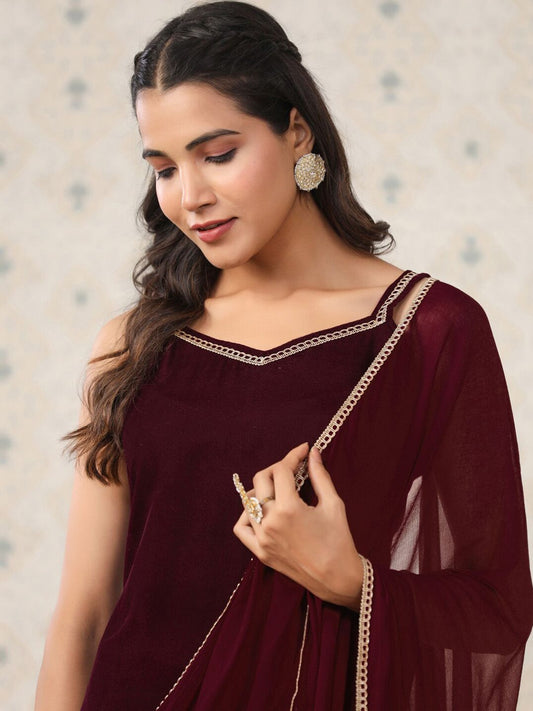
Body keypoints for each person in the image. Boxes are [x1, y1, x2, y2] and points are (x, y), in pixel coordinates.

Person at [34, 2, 533, 709]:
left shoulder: (425, 330)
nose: (190, 197)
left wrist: (351, 582)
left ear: (297, 132)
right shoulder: (132, 343)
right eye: (164, 168)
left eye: (218, 155)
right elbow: (82, 619)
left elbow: (496, 607)